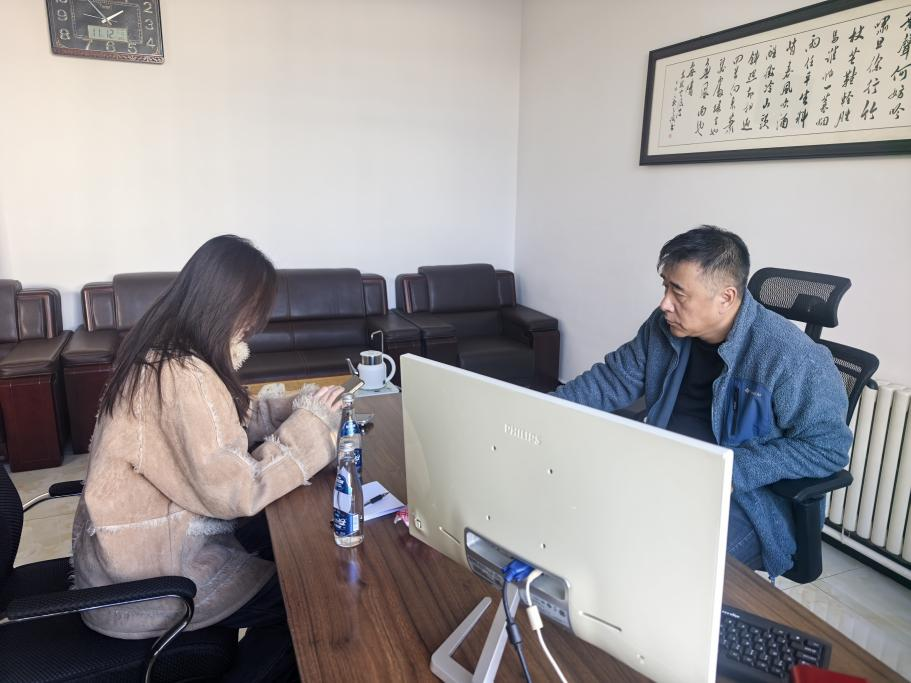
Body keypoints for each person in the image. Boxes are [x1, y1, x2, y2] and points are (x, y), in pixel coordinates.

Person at [72, 235, 343, 682]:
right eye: (253, 311)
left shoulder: (166, 352)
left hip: (125, 561)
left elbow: (224, 424)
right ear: (229, 304)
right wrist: (310, 430)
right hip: (153, 581)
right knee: (308, 598)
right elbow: (237, 491)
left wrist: (298, 409)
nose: (254, 326)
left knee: (283, 546)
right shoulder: (183, 376)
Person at [553, 226, 852, 578]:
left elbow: (828, 448)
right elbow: (611, 380)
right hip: (665, 471)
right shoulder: (664, 327)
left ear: (726, 297)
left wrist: (731, 470)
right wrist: (538, 409)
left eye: (678, 292)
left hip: (747, 502)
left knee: (661, 568)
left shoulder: (791, 358)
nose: (664, 303)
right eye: (665, 286)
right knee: (578, 516)